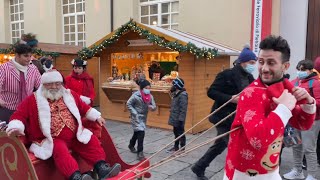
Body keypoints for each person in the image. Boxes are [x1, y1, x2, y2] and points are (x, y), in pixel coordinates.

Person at [223, 35, 316, 180]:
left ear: (285, 66)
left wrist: (308, 102)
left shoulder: (286, 87)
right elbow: (257, 139)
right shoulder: (251, 93)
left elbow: (303, 124)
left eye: (271, 62)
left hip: (271, 168)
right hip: (244, 172)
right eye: (261, 62)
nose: (264, 68)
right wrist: (284, 109)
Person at [5, 70, 121, 180]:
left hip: (75, 134)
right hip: (52, 138)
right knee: (59, 150)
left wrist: (97, 116)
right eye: (50, 84)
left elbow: (83, 107)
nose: (54, 87)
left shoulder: (70, 95)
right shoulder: (33, 99)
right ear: (43, 84)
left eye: (57, 84)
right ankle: (75, 176)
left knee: (90, 141)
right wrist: (16, 127)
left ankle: (102, 168)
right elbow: (19, 115)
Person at [191, 44, 257, 180]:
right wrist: (230, 99)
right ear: (242, 62)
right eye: (251, 62)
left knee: (220, 145)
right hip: (222, 116)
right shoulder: (226, 74)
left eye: (254, 63)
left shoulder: (250, 77)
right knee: (234, 146)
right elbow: (211, 92)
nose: (253, 65)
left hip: (237, 117)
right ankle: (238, 175)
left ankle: (199, 166)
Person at [283, 60, 320, 180]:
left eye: (303, 70)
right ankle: (297, 171)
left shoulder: (315, 83)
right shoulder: (295, 82)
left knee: (309, 148)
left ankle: (312, 175)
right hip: (296, 120)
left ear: (310, 70)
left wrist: (307, 102)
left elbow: (318, 102)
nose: (300, 72)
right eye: (298, 69)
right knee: (296, 145)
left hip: (312, 120)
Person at [0, 44, 41, 123]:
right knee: (7, 134)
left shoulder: (33, 69)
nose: (29, 59)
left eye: (30, 56)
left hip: (27, 109)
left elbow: (41, 86)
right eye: (25, 56)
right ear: (17, 55)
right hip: (8, 109)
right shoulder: (4, 68)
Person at [127, 79, 156, 160]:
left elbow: (154, 106)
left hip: (143, 117)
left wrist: (152, 107)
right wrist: (134, 112)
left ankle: (131, 145)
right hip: (136, 117)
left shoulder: (150, 96)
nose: (148, 90)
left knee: (137, 132)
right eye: (146, 88)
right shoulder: (136, 95)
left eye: (149, 88)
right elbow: (128, 104)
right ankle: (140, 152)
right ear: (142, 88)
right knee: (141, 133)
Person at [167, 78, 188, 153]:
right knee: (176, 132)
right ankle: (176, 147)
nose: (172, 86)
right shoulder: (176, 93)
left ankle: (182, 148)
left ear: (176, 86)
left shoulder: (183, 95)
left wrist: (181, 119)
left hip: (179, 119)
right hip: (175, 117)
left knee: (181, 133)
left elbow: (183, 109)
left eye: (173, 85)